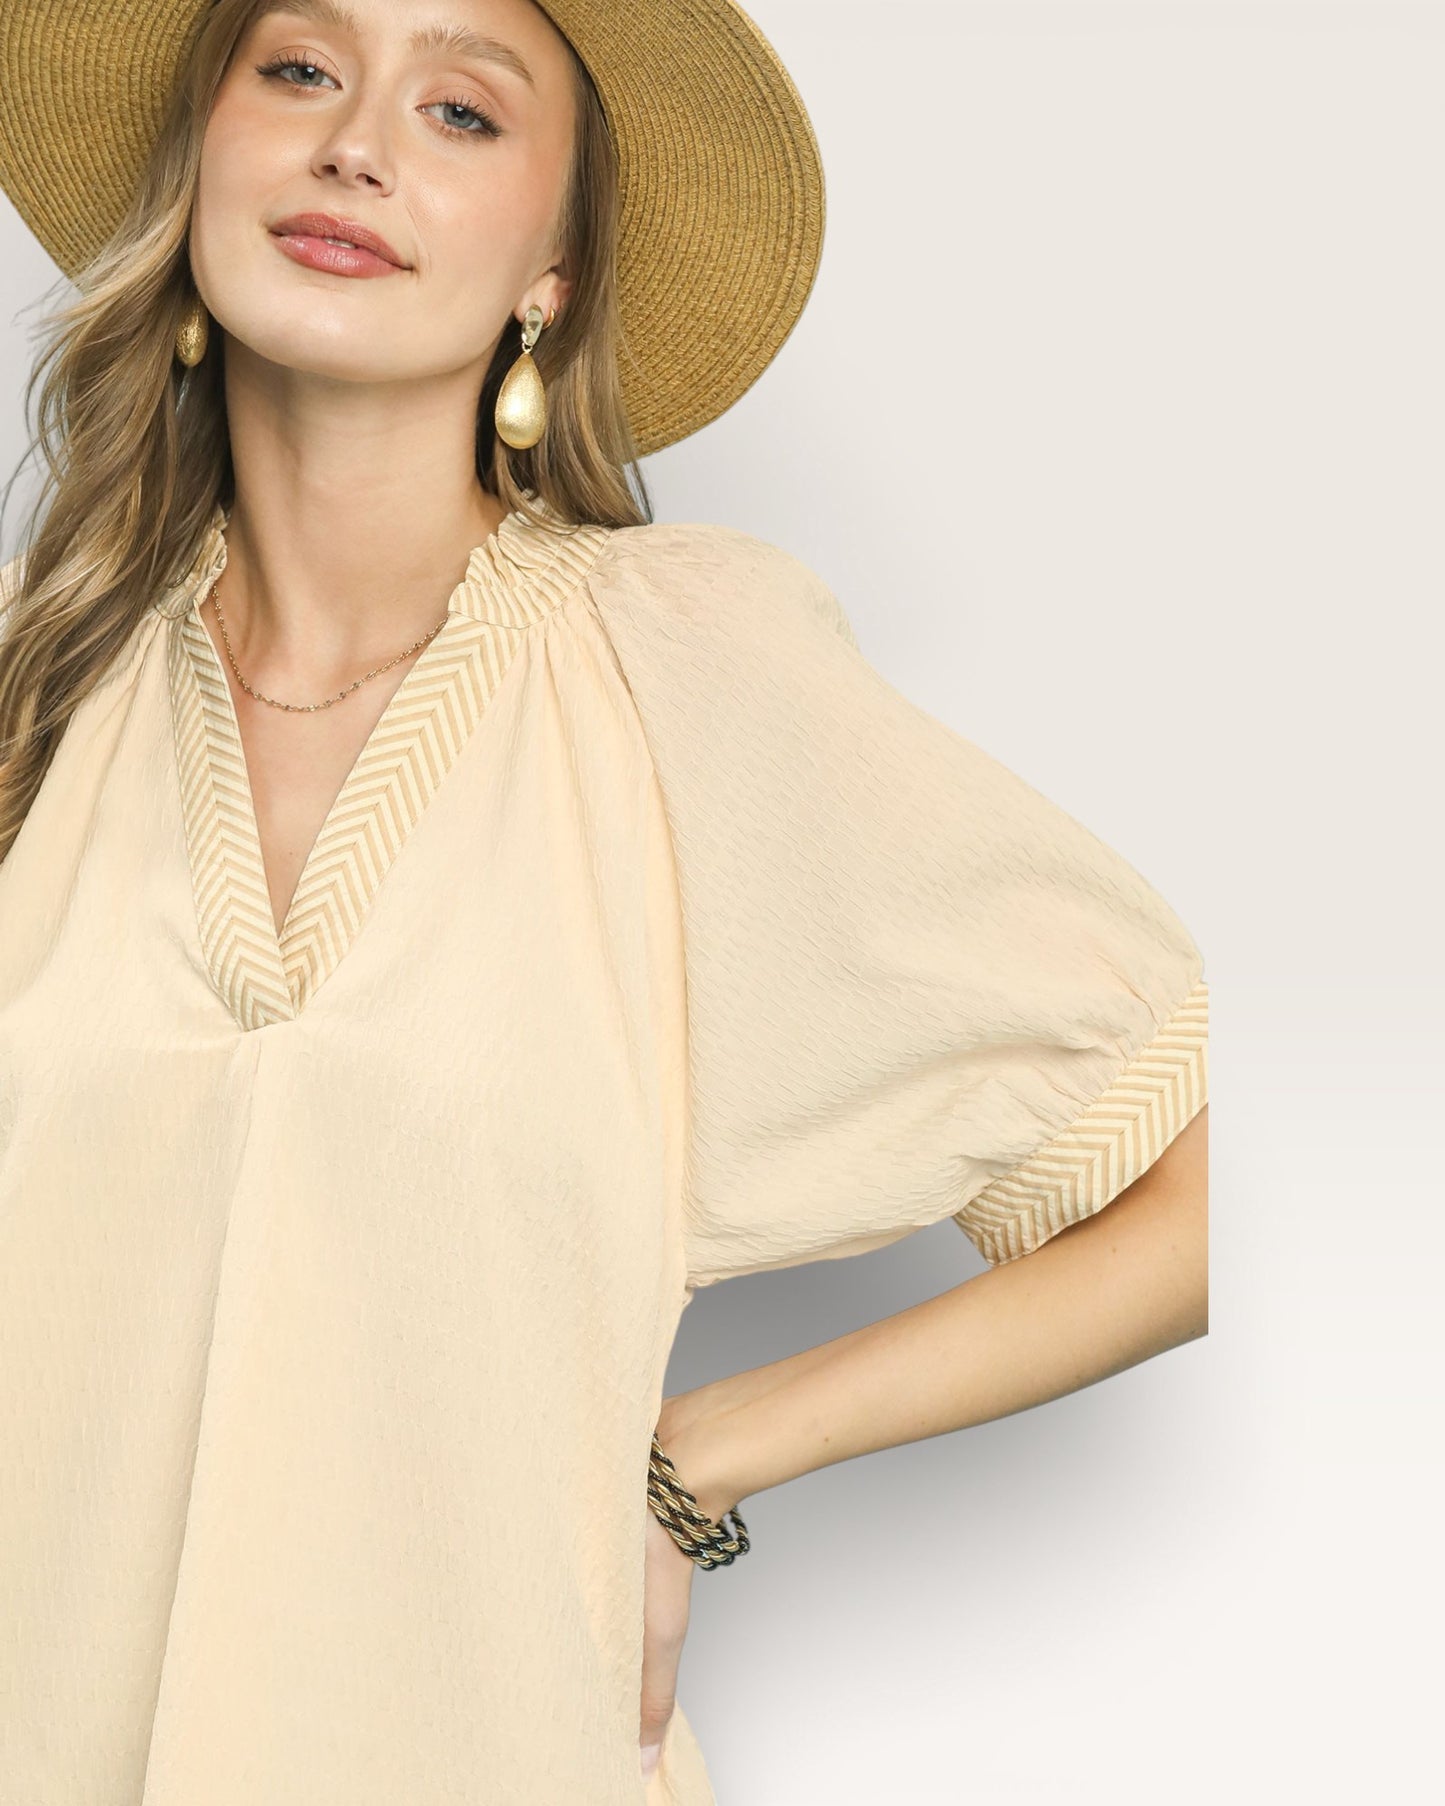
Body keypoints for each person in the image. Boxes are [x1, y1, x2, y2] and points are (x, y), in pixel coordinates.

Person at [0, 0, 1209, 1798]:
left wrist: (697, 1457)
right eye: (303, 70)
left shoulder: (678, 675)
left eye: (464, 111)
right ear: (202, 167)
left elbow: (1190, 1186)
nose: (360, 144)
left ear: (552, 269)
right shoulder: (44, 696)